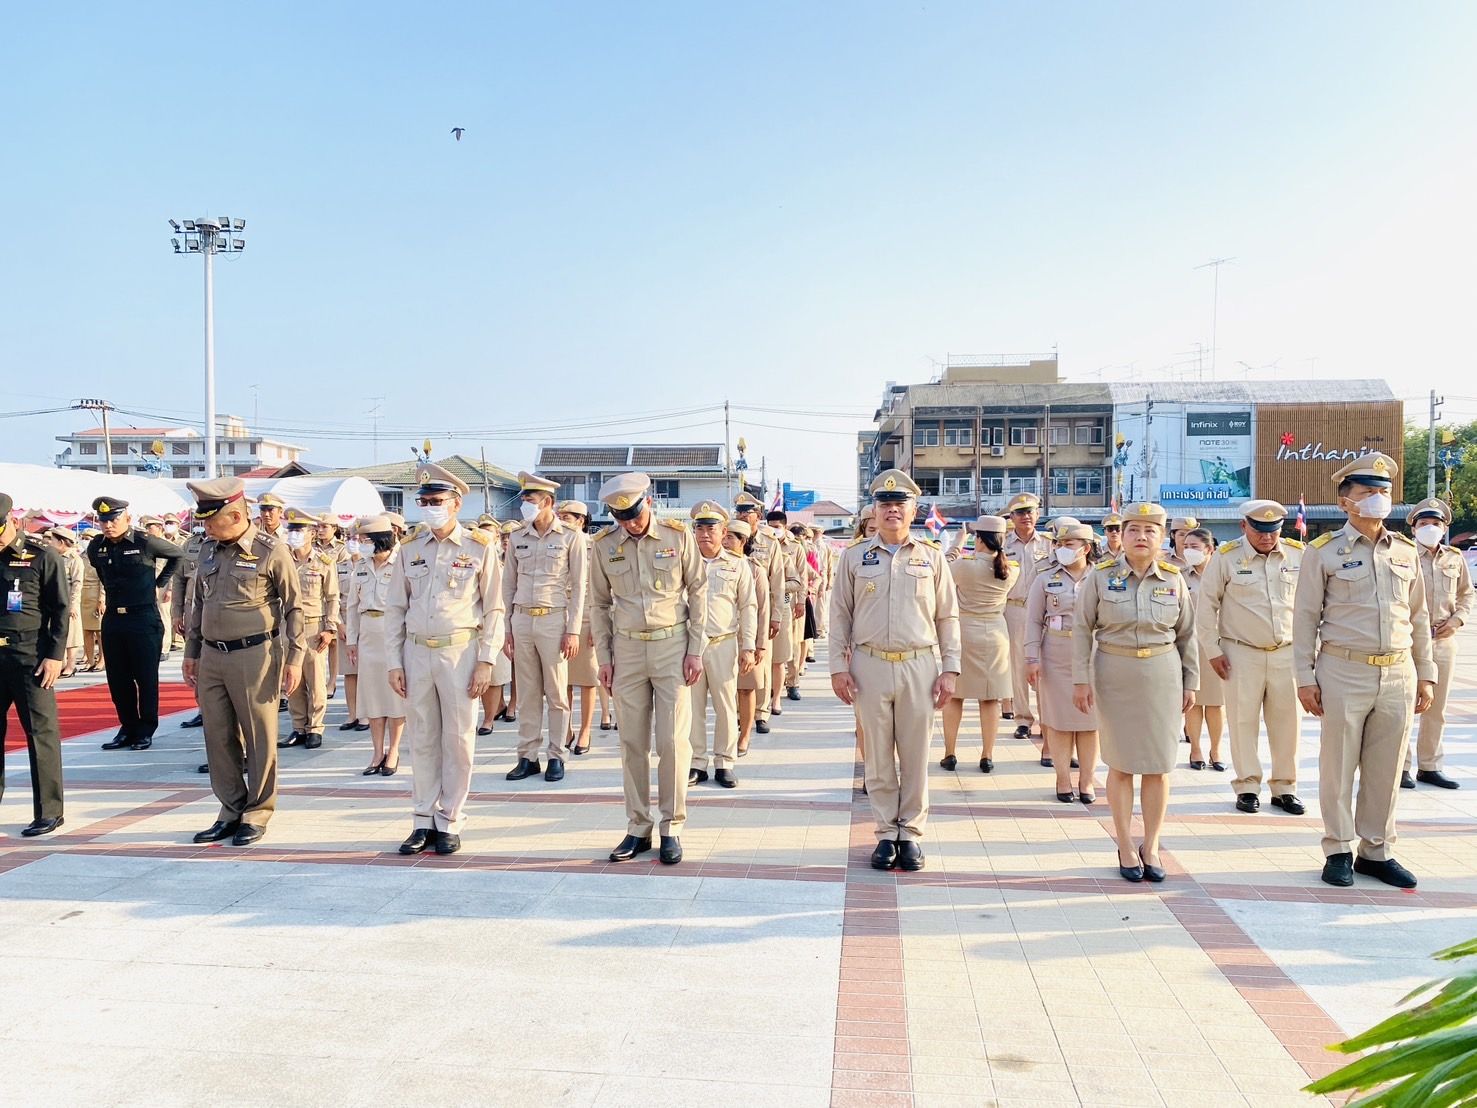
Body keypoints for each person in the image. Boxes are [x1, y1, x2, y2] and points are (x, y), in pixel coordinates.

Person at [1293, 453, 1434, 889]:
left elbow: (1420, 617)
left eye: (1383, 492)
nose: (1377, 499)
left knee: (1387, 768)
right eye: (1367, 493)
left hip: (1397, 672)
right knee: (1337, 765)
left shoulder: (1406, 551)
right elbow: (1304, 619)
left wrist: (1425, 672)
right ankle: (1337, 848)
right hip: (1342, 670)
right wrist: (1304, 677)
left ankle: (1376, 850)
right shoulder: (1323, 552)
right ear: (1344, 502)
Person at [830, 469, 960, 873]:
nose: (892, 511)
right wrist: (838, 666)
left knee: (917, 753)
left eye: (899, 504)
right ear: (874, 510)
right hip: (869, 664)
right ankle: (887, 832)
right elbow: (839, 615)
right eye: (885, 504)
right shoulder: (854, 557)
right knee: (878, 756)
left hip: (919, 665)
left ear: (913, 510)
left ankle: (912, 834)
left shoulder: (932, 557)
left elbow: (948, 616)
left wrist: (950, 668)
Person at [1072, 502, 1197, 883]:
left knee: (1159, 766)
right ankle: (1125, 843)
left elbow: (1188, 635)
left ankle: (1152, 844)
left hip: (1162, 673)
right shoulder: (1100, 576)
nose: (1141, 537)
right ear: (1121, 536)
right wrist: (1081, 679)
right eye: (1133, 530)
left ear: (1162, 538)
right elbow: (1081, 629)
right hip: (1115, 672)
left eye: (1150, 530)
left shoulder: (1174, 579)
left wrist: (1191, 681)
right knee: (1122, 764)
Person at [589, 472, 707, 865]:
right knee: (632, 744)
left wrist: (696, 648)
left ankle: (671, 825)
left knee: (673, 742)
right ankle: (637, 826)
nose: (630, 524)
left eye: (635, 516)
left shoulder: (677, 537)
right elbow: (598, 605)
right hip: (627, 651)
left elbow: (698, 590)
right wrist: (604, 659)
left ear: (648, 504)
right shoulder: (604, 545)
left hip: (672, 646)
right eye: (620, 518)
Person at [386, 466, 504, 856]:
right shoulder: (411, 549)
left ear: (456, 504)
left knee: (458, 740)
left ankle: (450, 819)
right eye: (424, 503)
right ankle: (422, 819)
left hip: (461, 652)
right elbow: (395, 609)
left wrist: (486, 661)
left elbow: (494, 609)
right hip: (417, 651)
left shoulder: (478, 547)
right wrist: (394, 661)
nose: (429, 509)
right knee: (422, 738)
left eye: (436, 502)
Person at [183, 477, 305, 847]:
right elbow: (198, 605)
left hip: (256, 654)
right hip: (212, 655)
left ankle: (258, 810)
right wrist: (191, 652)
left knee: (259, 736)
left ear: (235, 514)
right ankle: (230, 809)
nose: (205, 526)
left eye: (210, 519)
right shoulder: (207, 550)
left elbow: (294, 607)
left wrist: (295, 658)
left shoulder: (271, 550)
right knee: (217, 736)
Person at [1196, 500, 1305, 815]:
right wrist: (1213, 650)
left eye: (1273, 531)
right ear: (1244, 526)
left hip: (1287, 652)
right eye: (1260, 530)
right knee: (1243, 722)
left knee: (1288, 724)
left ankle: (1285, 788)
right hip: (1241, 652)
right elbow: (1206, 607)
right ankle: (1247, 786)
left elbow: (1312, 606)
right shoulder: (1226, 557)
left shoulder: (1298, 556)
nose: (1267, 537)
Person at [502, 472, 587, 784]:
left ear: (548, 502)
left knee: (555, 692)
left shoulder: (571, 536)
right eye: (524, 498)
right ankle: (527, 756)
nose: (525, 503)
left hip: (553, 618)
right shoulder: (517, 537)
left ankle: (556, 755)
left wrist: (573, 630)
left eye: (531, 499)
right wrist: (507, 629)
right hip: (522, 618)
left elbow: (579, 587)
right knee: (526, 693)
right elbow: (507, 585)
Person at [85, 497, 182, 751]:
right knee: (118, 679)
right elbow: (100, 570)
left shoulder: (144, 541)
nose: (108, 525)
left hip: (143, 618)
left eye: (114, 519)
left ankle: (145, 729)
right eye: (104, 520)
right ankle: (127, 727)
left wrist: (159, 583)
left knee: (145, 678)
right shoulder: (97, 547)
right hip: (114, 619)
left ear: (127, 518)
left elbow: (177, 555)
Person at [0, 494, 69, 836]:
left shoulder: (43, 556)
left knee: (41, 734)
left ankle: (49, 811)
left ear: (12, 521)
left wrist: (55, 655)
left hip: (30, 656)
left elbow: (59, 610)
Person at [1026, 519, 1099, 802]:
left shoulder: (1102, 577)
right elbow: (1032, 621)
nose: (1061, 549)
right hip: (1055, 652)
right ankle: (1063, 779)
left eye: (1069, 544)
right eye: (1058, 544)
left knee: (1090, 722)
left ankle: (1087, 780)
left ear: (1086, 548)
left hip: (1093, 653)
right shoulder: (1045, 577)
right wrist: (1031, 657)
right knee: (1058, 721)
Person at [1402, 497, 1471, 790]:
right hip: (1407, 641)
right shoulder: (1402, 555)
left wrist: (1456, 620)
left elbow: (1467, 594)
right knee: (1403, 706)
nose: (1430, 528)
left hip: (1442, 641)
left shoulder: (1454, 557)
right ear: (1414, 529)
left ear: (1444, 528)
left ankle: (1429, 766)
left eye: (1435, 524)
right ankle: (1401, 766)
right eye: (1423, 524)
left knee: (1436, 708)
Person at [687, 502, 757, 788]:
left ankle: (725, 762)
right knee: (692, 708)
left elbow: (748, 606)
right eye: (699, 528)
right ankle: (696, 762)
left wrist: (749, 646)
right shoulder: (684, 562)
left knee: (726, 706)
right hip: (690, 645)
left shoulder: (737, 564)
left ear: (723, 531)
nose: (704, 534)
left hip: (724, 642)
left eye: (710, 528)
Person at [942, 515, 1017, 774]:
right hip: (995, 634)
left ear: (979, 538)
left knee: (954, 697)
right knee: (990, 699)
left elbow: (943, 569)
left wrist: (956, 543)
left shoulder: (965, 565)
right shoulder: (1011, 569)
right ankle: (987, 755)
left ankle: (950, 752)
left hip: (964, 633)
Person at [345, 516, 406, 775]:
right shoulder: (360, 566)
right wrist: (351, 639)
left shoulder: (401, 562)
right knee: (372, 697)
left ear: (381, 539)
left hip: (393, 632)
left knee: (394, 696)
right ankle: (377, 751)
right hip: (368, 633)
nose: (362, 544)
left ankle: (394, 751)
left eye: (366, 540)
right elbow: (350, 606)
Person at [278, 509, 340, 752]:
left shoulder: (324, 562)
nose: (294, 534)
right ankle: (299, 726)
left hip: (314, 626)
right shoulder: (283, 560)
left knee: (315, 681)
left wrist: (330, 628)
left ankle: (315, 727)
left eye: (299, 530)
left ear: (312, 533)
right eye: (291, 529)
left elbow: (333, 597)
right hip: (288, 625)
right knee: (292, 679)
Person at [1003, 493, 1053, 743]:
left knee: (1044, 666)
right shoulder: (1003, 545)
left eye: (1030, 511)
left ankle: (1047, 720)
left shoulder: (1049, 544)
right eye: (1020, 513)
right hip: (1013, 609)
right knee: (1018, 667)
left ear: (1038, 514)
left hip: (1043, 612)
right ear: (1011, 518)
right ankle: (1023, 719)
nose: (1026, 516)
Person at [733, 493, 784, 736]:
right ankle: (739, 714)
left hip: (763, 612)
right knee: (737, 668)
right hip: (736, 614)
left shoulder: (770, 542)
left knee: (760, 666)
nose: (743, 516)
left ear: (758, 516)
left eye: (748, 512)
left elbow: (780, 585)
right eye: (739, 512)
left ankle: (761, 713)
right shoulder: (729, 538)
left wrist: (778, 615)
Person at [555, 500, 602, 755]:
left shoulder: (592, 546)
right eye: (559, 515)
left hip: (584, 617)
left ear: (581, 520)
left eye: (567, 517)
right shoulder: (554, 542)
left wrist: (597, 624)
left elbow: (598, 588)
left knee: (586, 679)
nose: (562, 520)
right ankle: (567, 727)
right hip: (559, 616)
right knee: (563, 681)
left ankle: (585, 729)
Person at [1180, 527, 1226, 771]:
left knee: (1216, 704)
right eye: (1186, 546)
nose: (1188, 551)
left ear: (1209, 549)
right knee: (1192, 702)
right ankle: (1195, 749)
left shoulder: (1223, 574)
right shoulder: (1179, 576)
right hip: (1189, 646)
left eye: (1194, 547)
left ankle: (1216, 749)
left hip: (1217, 647)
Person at [725, 519, 768, 757]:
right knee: (727, 692)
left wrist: (760, 644)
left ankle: (745, 735)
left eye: (731, 537)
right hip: (723, 639)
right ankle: (731, 732)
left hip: (747, 640)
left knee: (746, 689)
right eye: (725, 536)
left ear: (743, 541)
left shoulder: (755, 569)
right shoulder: (714, 564)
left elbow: (762, 608)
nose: (726, 541)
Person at [172, 521, 208, 728]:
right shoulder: (191, 544)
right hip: (192, 611)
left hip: (216, 614)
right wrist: (176, 614)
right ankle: (202, 708)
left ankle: (213, 708)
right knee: (196, 661)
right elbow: (179, 579)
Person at [336, 523, 370, 734]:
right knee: (350, 672)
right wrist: (338, 623)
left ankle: (366, 714)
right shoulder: (339, 564)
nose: (353, 542)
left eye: (357, 539)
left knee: (367, 672)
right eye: (350, 538)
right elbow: (331, 596)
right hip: (346, 622)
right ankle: (353, 714)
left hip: (368, 623)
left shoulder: (372, 564)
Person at [775, 511, 809, 705]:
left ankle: (793, 682)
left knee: (792, 645)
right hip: (768, 604)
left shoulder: (795, 548)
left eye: (777, 526)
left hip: (790, 600)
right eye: (770, 525)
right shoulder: (762, 545)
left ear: (785, 527)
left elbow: (802, 577)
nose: (773, 530)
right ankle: (774, 686)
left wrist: (801, 601)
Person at [44, 527, 84, 678]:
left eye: (53, 540)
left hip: (69, 602)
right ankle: (61, 663)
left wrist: (73, 605)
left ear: (61, 542)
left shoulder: (75, 560)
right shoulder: (53, 557)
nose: (50, 543)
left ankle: (71, 665)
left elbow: (77, 584)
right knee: (58, 632)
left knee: (72, 635)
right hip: (55, 601)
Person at [79, 527, 105, 672]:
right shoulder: (81, 556)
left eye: (88, 538)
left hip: (96, 594)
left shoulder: (100, 555)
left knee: (100, 632)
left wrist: (101, 598)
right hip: (83, 596)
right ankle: (89, 660)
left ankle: (101, 660)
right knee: (86, 631)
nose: (85, 541)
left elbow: (103, 579)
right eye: (83, 538)